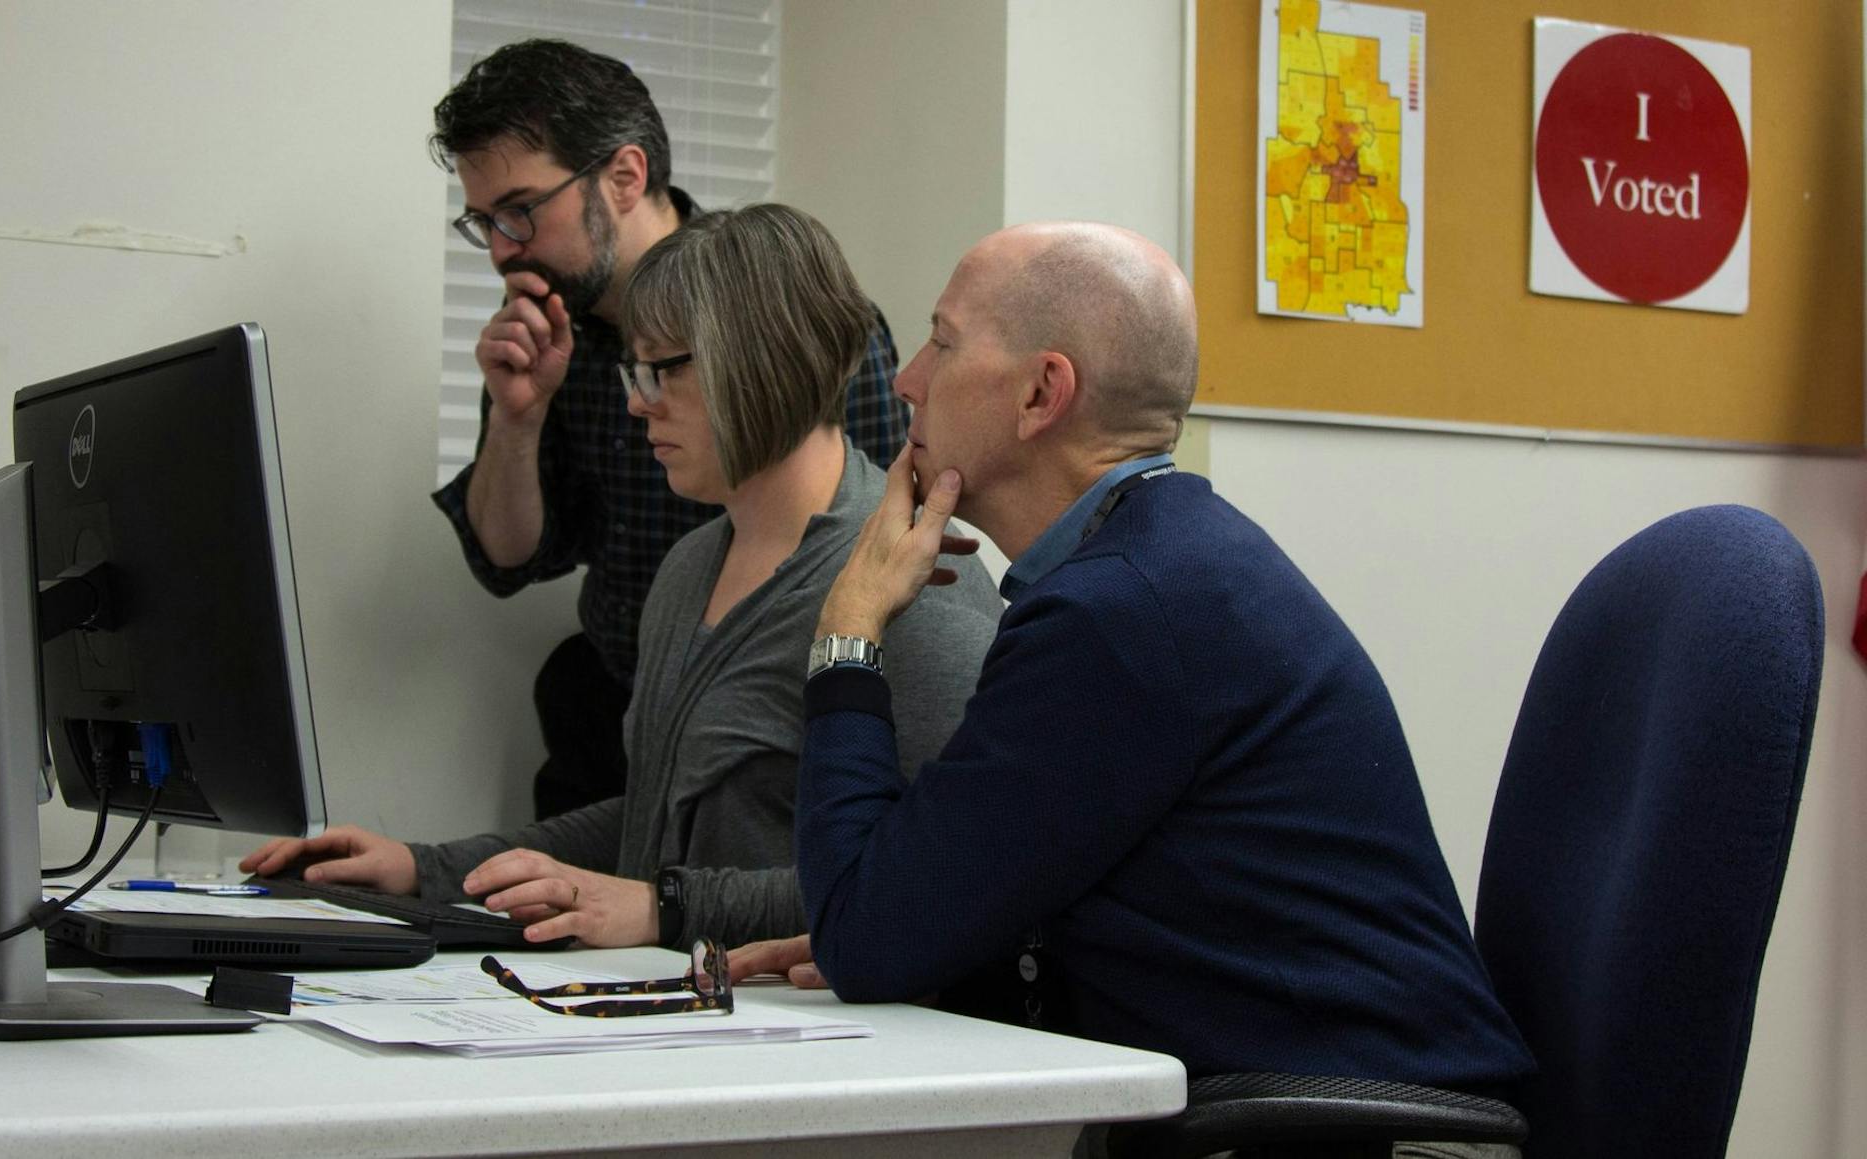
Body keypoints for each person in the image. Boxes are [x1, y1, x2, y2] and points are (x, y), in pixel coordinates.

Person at [732, 223, 1532, 1152]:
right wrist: (914, 924)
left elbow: (863, 935)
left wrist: (850, 627)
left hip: (1364, 1136)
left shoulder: (1122, 616)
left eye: (942, 342)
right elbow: (907, 909)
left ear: (1042, 392)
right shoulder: (1150, 571)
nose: (907, 377)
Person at [244, 204, 1000, 950]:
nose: (636, 402)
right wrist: (425, 869)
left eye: (659, 371)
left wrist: (663, 909)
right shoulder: (689, 569)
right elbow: (652, 820)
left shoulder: (915, 579)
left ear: (755, 360)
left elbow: (943, 879)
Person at [427, 39, 910, 820]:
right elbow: (508, 560)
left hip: (775, 726)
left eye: (520, 210)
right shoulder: (548, 331)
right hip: (613, 718)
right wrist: (517, 420)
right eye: (482, 222)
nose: (502, 250)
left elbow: (886, 541)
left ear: (625, 176)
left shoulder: (772, 311)